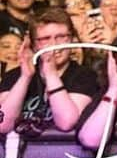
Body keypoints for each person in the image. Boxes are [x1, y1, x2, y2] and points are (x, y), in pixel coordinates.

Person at [0, 8, 98, 136]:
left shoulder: (86, 76)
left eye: (61, 37)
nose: (54, 45)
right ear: (33, 44)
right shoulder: (14, 76)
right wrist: (25, 77)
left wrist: (51, 74)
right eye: (45, 39)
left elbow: (67, 122)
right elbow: (3, 125)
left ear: (72, 38)